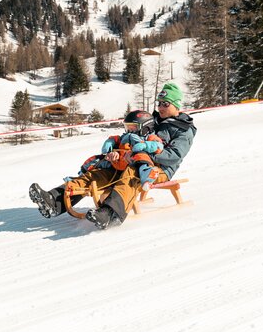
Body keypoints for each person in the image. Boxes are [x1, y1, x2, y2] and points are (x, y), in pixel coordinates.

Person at [29, 82, 196, 230]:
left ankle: (110, 213)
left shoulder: (184, 129)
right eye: (159, 103)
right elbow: (133, 136)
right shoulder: (155, 120)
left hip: (158, 170)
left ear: (177, 105)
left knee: (132, 174)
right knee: (100, 171)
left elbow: (173, 156)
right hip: (130, 159)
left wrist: (143, 154)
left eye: (165, 104)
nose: (160, 107)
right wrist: (117, 152)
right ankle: (54, 200)